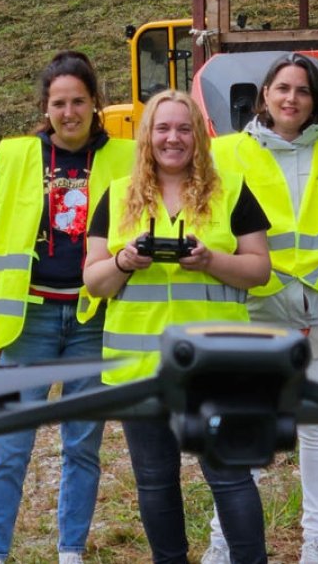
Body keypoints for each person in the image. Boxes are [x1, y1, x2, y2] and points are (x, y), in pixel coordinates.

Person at [82, 89, 272, 564]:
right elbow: (94, 281)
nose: (173, 138)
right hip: (140, 367)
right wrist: (124, 260)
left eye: (184, 128)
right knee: (154, 481)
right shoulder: (117, 195)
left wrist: (210, 260)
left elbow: (260, 270)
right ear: (147, 136)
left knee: (229, 476)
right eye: (163, 128)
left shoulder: (232, 190)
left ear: (198, 137)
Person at [206, 53, 318, 564]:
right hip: (258, 311)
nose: (291, 98)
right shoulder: (226, 153)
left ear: (316, 100)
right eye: (282, 88)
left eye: (302, 90)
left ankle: (316, 546)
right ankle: (224, 542)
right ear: (264, 95)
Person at [0, 50, 134, 564]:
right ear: (45, 107)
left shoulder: (124, 158)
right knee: (9, 447)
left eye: (79, 102)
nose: (69, 113)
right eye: (59, 103)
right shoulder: (18, 155)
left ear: (96, 103)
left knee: (82, 445)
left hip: (93, 318)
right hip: (30, 318)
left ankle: (70, 551)